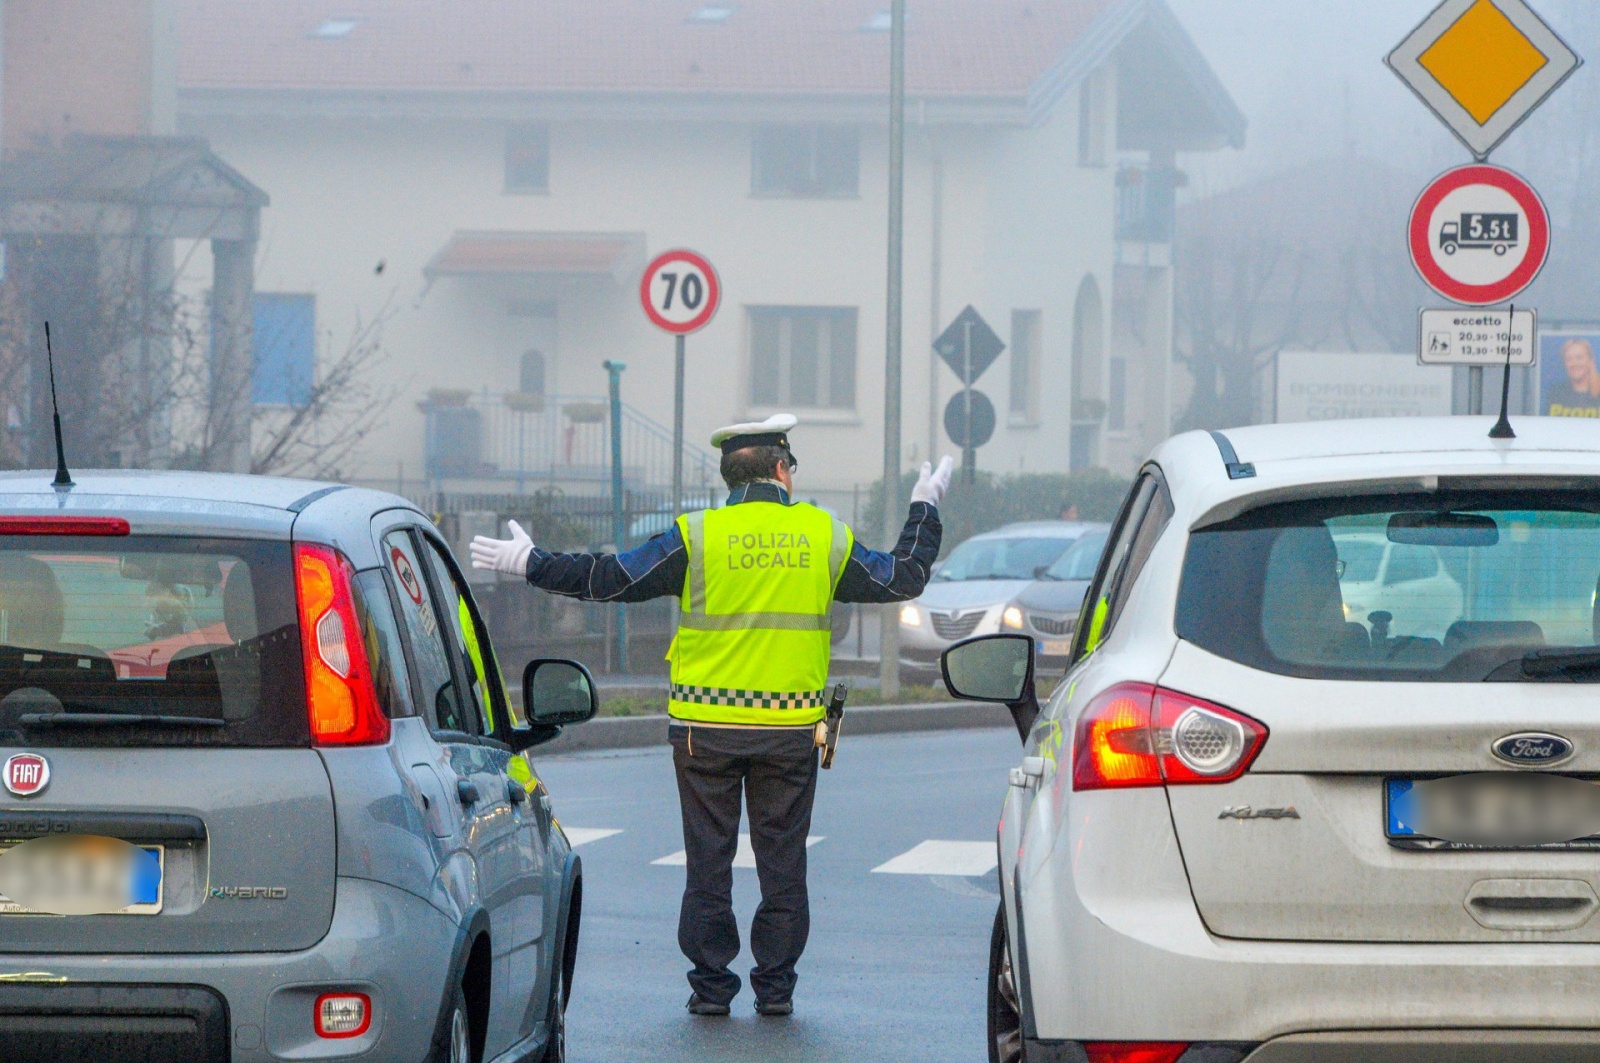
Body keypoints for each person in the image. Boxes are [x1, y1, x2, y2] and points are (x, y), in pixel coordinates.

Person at [470, 414, 951, 1018]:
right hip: (788, 733)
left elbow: (613, 578)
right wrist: (924, 510)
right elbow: (902, 577)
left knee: (708, 863)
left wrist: (532, 562)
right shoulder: (822, 535)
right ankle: (774, 991)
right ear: (781, 469)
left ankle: (710, 988)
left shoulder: (696, 535)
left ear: (730, 477)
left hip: (703, 734)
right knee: (782, 864)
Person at [1545, 337, 1600, 417]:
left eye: (1579, 357)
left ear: (1590, 360)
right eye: (1569, 359)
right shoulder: (1556, 393)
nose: (1574, 363)